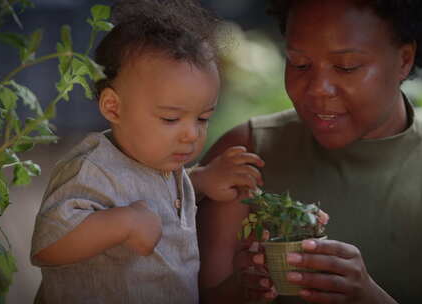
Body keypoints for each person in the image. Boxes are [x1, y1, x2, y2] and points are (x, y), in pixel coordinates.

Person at [197, 0, 422, 303]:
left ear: (404, 60)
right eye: (299, 64)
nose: (318, 88)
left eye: (346, 67)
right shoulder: (241, 157)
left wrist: (369, 298)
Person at [30, 1, 264, 303]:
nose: (192, 134)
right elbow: (48, 245)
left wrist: (202, 180)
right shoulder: (92, 170)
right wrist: (121, 223)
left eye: (203, 118)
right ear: (113, 106)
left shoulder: (160, 162)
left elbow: (154, 192)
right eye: (170, 118)